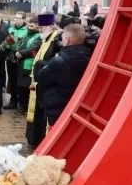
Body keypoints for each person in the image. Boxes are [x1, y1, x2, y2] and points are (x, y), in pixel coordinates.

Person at [37, 23, 92, 131]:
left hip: (56, 110)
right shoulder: (89, 58)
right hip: (78, 107)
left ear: (66, 40)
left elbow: (41, 78)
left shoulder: (58, 61)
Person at [26, 13, 61, 146]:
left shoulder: (55, 41)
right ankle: (34, 139)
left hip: (46, 84)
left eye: (42, 27)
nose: (39, 29)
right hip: (38, 82)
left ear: (51, 27)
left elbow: (52, 62)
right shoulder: (46, 39)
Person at [13, 17, 42, 116]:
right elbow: (21, 44)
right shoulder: (27, 35)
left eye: (32, 26)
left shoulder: (38, 36)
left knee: (25, 86)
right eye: (29, 25)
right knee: (20, 85)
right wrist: (16, 51)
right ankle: (22, 105)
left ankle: (25, 106)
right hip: (22, 62)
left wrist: (20, 53)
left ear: (37, 27)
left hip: (29, 63)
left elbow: (33, 48)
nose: (30, 28)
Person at [5, 12, 28, 110]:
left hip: (21, 58)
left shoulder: (26, 30)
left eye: (19, 18)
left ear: (23, 19)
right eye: (15, 18)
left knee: (21, 80)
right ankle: (13, 100)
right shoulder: (10, 29)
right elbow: (6, 41)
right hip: (10, 58)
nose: (16, 20)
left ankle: (22, 101)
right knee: (12, 79)